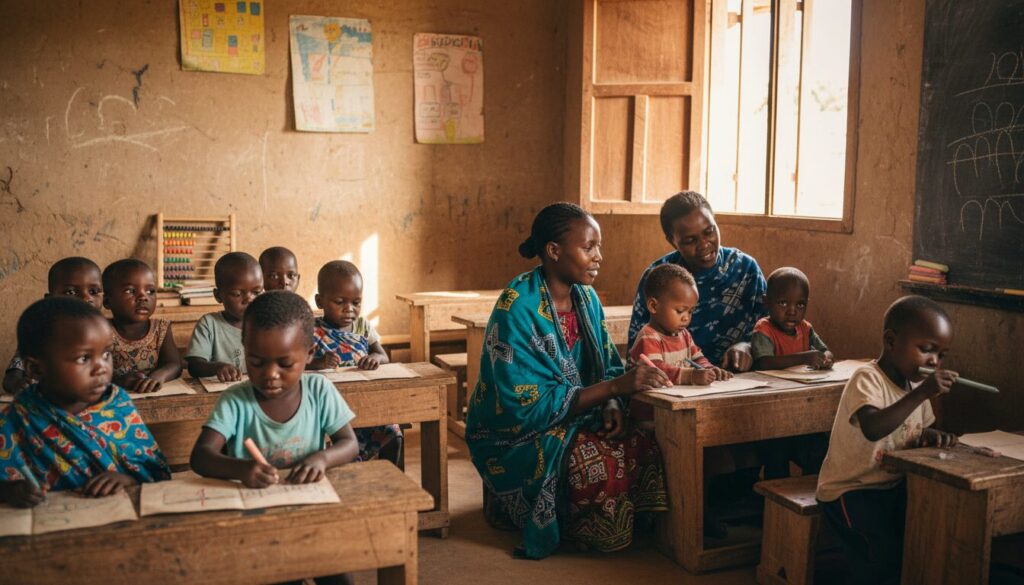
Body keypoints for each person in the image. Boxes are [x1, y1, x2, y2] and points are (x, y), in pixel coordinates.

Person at [466, 202, 672, 559]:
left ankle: (608, 523)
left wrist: (611, 403)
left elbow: (607, 363)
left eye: (599, 247)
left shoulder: (587, 299)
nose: (599, 257)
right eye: (588, 247)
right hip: (515, 435)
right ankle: (574, 525)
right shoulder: (516, 307)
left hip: (579, 413)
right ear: (553, 251)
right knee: (593, 462)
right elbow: (522, 406)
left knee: (645, 442)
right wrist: (614, 388)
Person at [190, 290, 357, 585]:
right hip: (255, 518)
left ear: (308, 355)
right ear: (244, 349)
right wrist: (242, 469)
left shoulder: (319, 391)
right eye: (256, 362)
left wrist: (322, 458)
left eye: (284, 364)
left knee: (337, 574)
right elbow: (201, 456)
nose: (270, 374)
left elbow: (349, 444)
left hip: (309, 510)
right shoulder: (235, 401)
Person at [816, 295, 965, 585]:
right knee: (878, 552)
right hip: (850, 490)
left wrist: (935, 437)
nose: (934, 361)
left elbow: (917, 430)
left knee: (921, 534)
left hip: (891, 487)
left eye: (941, 355)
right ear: (891, 341)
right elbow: (874, 427)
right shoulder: (867, 379)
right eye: (926, 350)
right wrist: (921, 394)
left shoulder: (915, 387)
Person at [0, 297, 171, 507]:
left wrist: (128, 480)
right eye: (83, 358)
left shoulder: (117, 403)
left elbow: (157, 472)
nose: (102, 368)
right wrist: (9, 490)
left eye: (106, 353)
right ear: (35, 369)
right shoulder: (16, 420)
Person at [628, 191, 766, 371]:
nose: (704, 244)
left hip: (738, 378)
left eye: (709, 232)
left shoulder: (745, 269)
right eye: (690, 240)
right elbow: (638, 352)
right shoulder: (658, 277)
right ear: (672, 241)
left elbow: (769, 328)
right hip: (673, 383)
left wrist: (747, 346)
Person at [310, 260, 398, 464]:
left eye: (356, 303)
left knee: (392, 431)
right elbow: (299, 364)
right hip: (328, 409)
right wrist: (318, 362)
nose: (349, 309)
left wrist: (374, 358)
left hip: (365, 402)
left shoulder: (362, 326)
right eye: (340, 302)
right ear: (320, 301)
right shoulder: (311, 329)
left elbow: (383, 356)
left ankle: (392, 480)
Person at [3, 257, 104, 395]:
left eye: (93, 292)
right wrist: (18, 384)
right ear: (50, 299)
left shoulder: (105, 335)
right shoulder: (40, 336)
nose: (86, 298)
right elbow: (11, 377)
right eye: (71, 292)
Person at [103, 259, 183, 392]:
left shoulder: (161, 328)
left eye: (150, 291)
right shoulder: (101, 331)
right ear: (107, 301)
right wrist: (120, 380)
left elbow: (174, 364)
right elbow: (91, 371)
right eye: (130, 291)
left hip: (154, 397)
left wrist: (159, 376)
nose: (143, 297)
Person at [185, 252, 263, 381]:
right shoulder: (209, 324)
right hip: (219, 394)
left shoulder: (268, 324)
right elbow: (194, 366)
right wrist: (217, 367)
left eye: (256, 292)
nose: (249, 299)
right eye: (238, 294)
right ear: (218, 295)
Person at [751, 267, 834, 371]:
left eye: (800, 305)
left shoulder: (805, 328)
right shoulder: (763, 329)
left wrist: (825, 359)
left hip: (803, 383)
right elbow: (764, 363)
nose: (792, 312)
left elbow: (826, 351)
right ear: (766, 302)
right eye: (783, 303)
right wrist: (804, 358)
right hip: (773, 385)